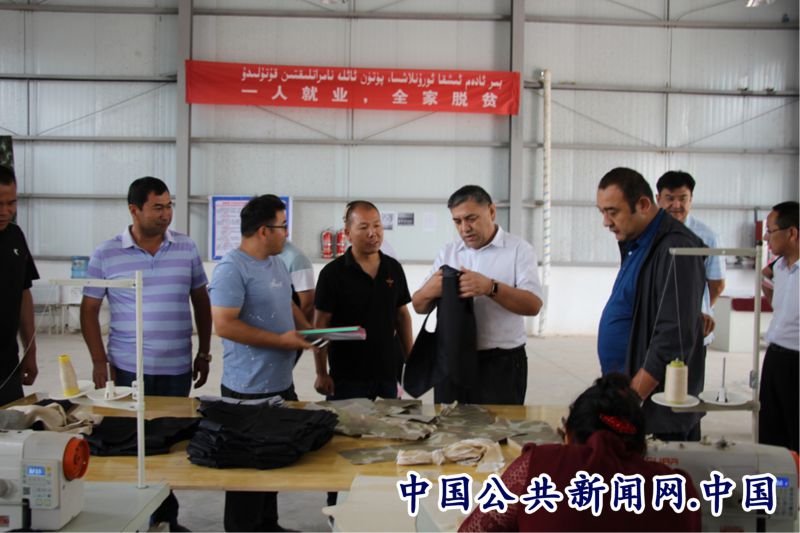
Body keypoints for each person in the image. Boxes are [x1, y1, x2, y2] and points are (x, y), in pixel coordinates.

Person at [80, 176, 210, 531]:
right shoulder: (107, 253)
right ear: (134, 210)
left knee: (168, 445)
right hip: (127, 369)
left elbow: (201, 301)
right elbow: (89, 310)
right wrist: (99, 361)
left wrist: (204, 352)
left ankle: (165, 520)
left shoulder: (185, 248)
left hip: (176, 369)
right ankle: (132, 519)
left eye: (169, 206)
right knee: (127, 446)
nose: (166, 214)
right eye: (158, 208)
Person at [458, 373, 702, 532]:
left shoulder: (538, 467)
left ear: (568, 434)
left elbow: (472, 530)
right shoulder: (676, 489)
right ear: (640, 444)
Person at [209, 194, 313, 532]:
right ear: (264, 230)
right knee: (246, 470)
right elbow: (224, 324)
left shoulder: (277, 264)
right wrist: (282, 341)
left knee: (273, 458)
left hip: (281, 383)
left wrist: (308, 331)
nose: (287, 233)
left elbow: (288, 304)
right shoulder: (232, 268)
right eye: (283, 226)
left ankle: (268, 524)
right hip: (247, 390)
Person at [596, 168, 706, 441]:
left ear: (644, 204)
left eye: (613, 212)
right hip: (630, 395)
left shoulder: (677, 248)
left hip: (655, 412)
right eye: (602, 212)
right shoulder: (639, 243)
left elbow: (674, 334)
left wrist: (633, 398)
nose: (606, 222)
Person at [412, 185, 543, 404]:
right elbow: (418, 306)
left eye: (471, 218)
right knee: (449, 423)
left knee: (499, 424)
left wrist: (491, 288)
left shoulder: (519, 250)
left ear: (491, 211)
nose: (465, 228)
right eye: (457, 221)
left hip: (500, 363)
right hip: (451, 359)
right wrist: (429, 290)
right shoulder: (449, 253)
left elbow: (533, 305)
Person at [313, 200, 413, 401]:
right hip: (346, 377)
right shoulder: (332, 274)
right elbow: (321, 326)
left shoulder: (393, 268)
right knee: (345, 422)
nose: (372, 233)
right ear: (348, 233)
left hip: (387, 373)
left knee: (389, 421)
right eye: (364, 227)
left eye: (377, 225)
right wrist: (321, 373)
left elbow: (402, 316)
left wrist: (411, 359)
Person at [656, 171, 726, 342]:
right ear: (658, 199)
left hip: (693, 328)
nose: (676, 205)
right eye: (670, 198)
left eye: (683, 199)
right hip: (655, 327)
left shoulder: (708, 237)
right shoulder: (649, 233)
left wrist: (694, 310)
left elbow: (716, 285)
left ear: (691, 199)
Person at [759, 201, 798, 452]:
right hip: (774, 356)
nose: (766, 237)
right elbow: (766, 276)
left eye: (770, 231)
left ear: (792, 232)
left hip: (797, 360)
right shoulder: (780, 267)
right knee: (771, 432)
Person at [0, 164, 38, 407]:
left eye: (11, 203)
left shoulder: (15, 236)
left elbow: (24, 293)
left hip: (7, 364)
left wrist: (30, 351)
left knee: (15, 426)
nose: (5, 211)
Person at [278, 240, 315, 324]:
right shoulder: (266, 257)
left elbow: (308, 304)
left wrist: (298, 327)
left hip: (288, 327)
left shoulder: (297, 258)